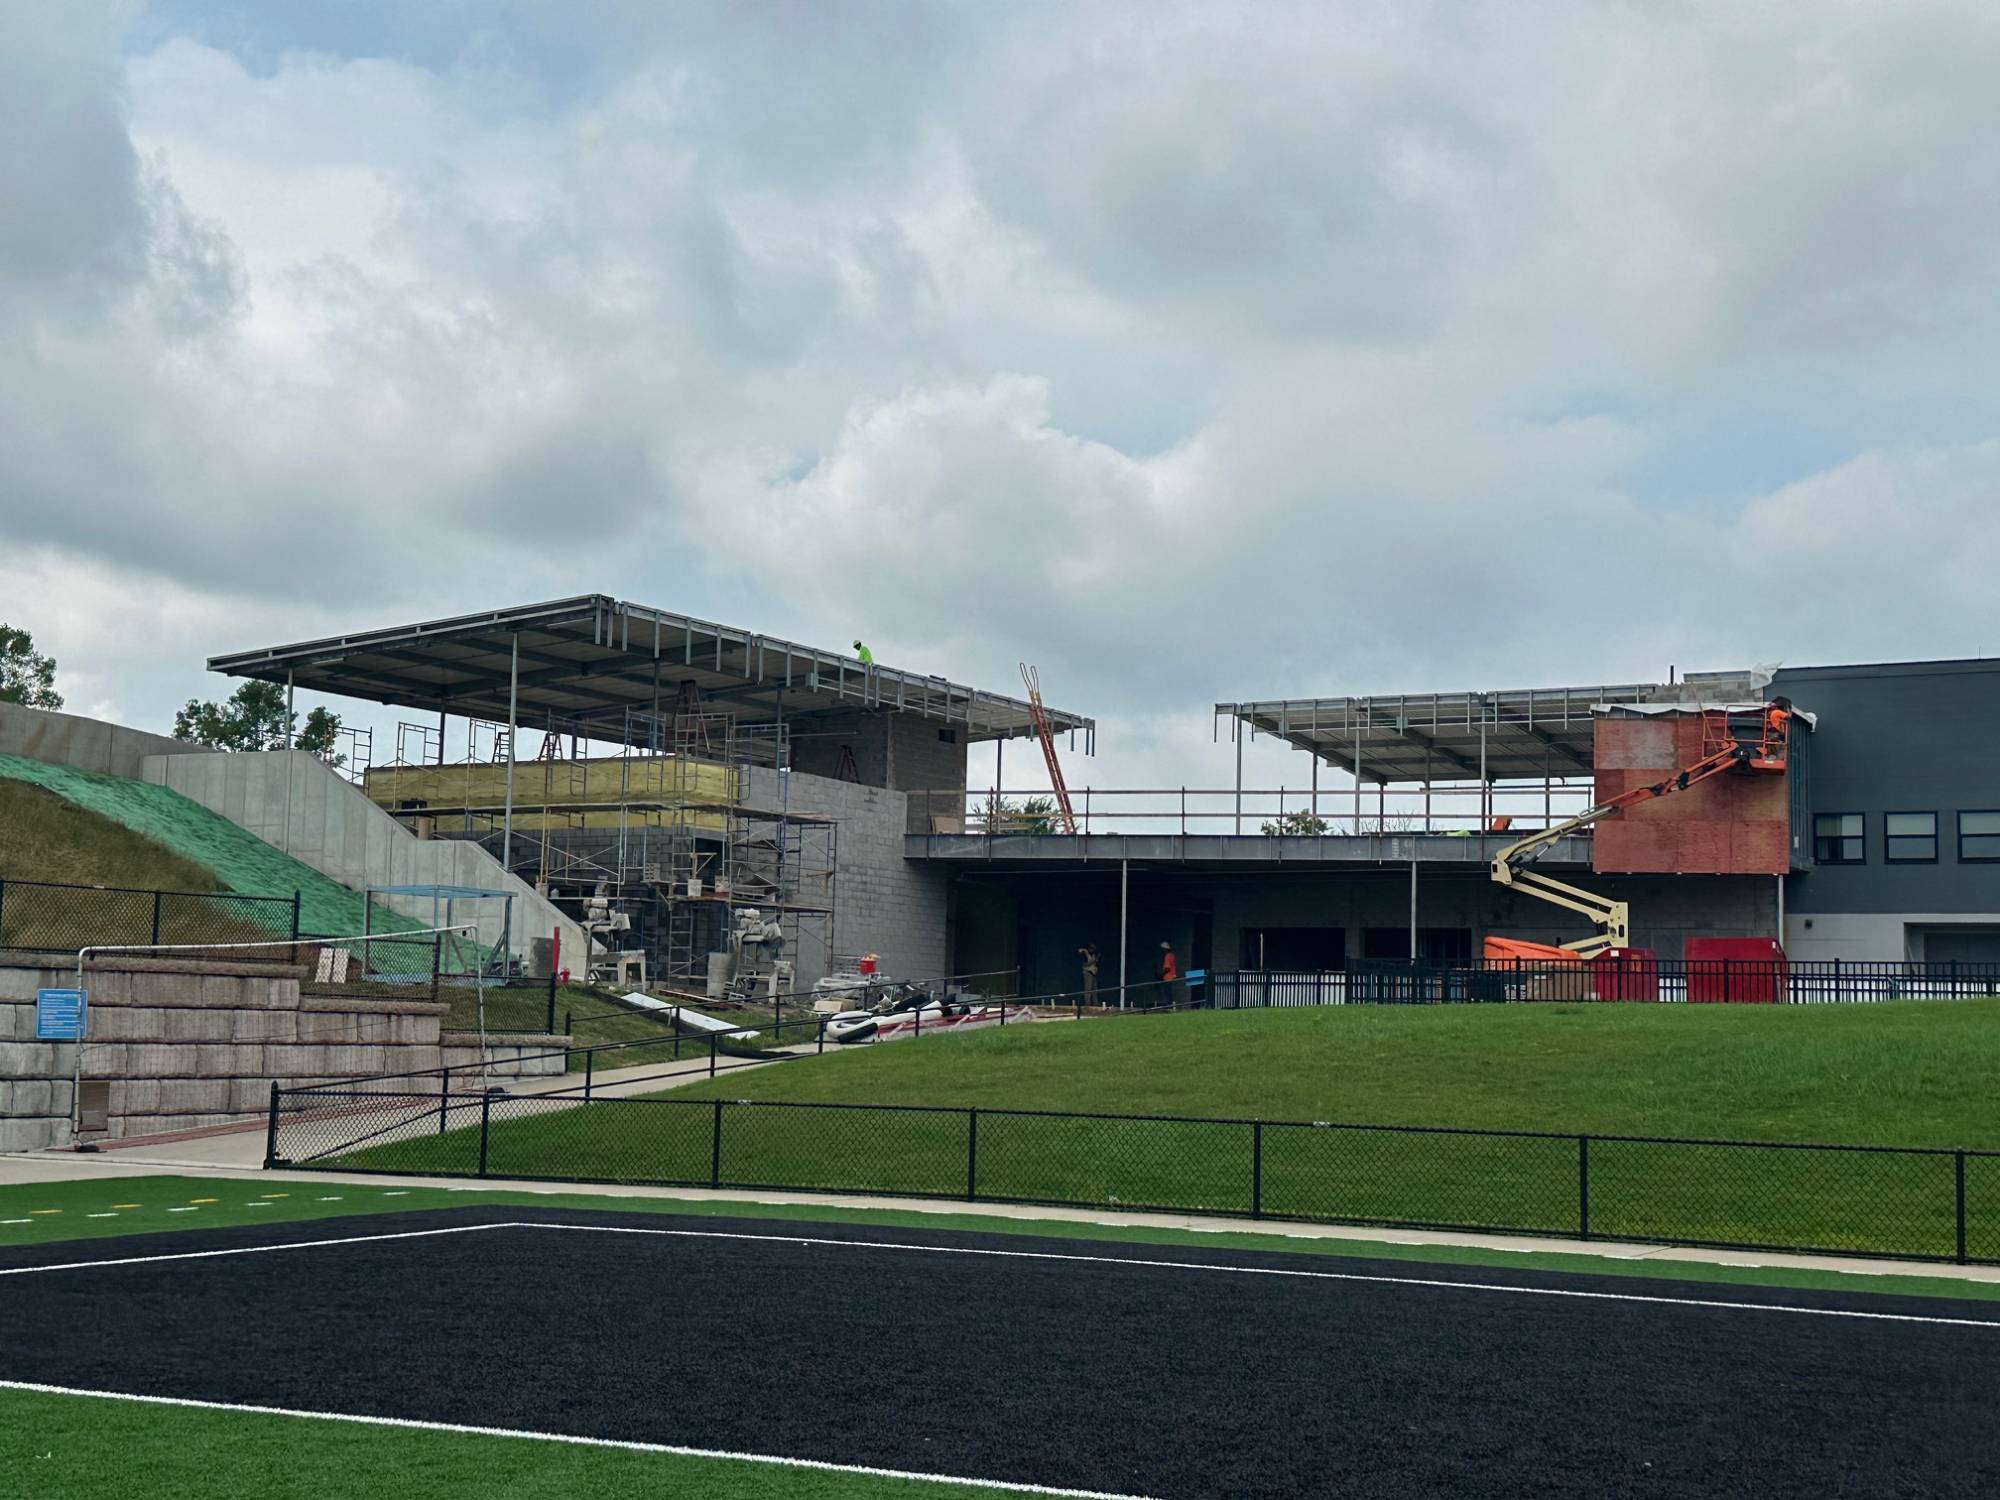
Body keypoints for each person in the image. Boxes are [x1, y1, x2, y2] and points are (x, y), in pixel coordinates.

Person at [1156, 940, 1180, 1009]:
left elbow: (1167, 968)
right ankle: (1170, 1005)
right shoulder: (1172, 955)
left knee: (1167, 993)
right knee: (1169, 992)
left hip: (1167, 977)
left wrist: (1161, 974)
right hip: (1172, 976)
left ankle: (1168, 1006)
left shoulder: (1167, 956)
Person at [1078, 942, 1100, 1006]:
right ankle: (1087, 1004)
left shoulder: (1093, 954)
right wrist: (1094, 961)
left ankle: (1095, 1004)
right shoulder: (1085, 953)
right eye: (1092, 948)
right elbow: (1085, 964)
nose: (1093, 950)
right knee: (1088, 990)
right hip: (1087, 973)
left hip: (1093, 974)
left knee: (1095, 991)